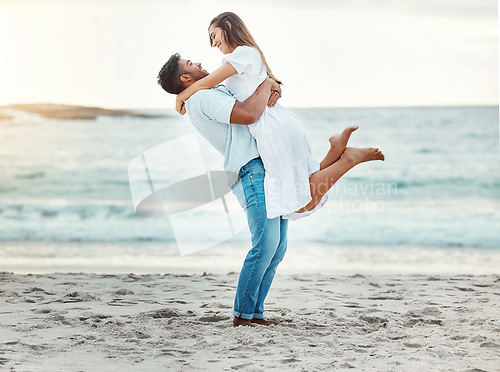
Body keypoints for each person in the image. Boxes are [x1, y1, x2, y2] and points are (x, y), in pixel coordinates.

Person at [157, 54, 384, 326]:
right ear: (185, 78)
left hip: (265, 167)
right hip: (251, 171)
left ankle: (255, 314)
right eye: (191, 64)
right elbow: (248, 113)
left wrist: (270, 85)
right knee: (265, 245)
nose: (199, 63)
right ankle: (243, 317)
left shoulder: (207, 92)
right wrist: (266, 83)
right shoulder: (202, 98)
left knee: (276, 248)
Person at [174, 12, 385, 221]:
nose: (213, 43)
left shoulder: (242, 54)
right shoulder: (245, 56)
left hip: (270, 128)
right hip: (278, 123)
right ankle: (335, 149)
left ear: (228, 27)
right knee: (300, 183)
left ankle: (349, 159)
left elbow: (206, 83)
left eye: (214, 35)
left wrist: (181, 96)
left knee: (301, 200)